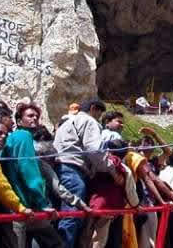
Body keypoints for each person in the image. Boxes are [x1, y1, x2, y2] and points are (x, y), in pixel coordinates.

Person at [53, 99, 122, 248]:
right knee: (72, 216)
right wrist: (112, 170)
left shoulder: (66, 123)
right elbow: (94, 150)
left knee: (62, 215)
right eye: (99, 113)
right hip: (74, 171)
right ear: (93, 109)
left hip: (59, 168)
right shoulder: (89, 121)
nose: (99, 117)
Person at [2, 103, 61, 248]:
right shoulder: (23, 136)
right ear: (19, 120)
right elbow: (28, 169)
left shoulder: (13, 138)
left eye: (36, 116)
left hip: (17, 202)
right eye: (30, 116)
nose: (34, 118)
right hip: (24, 203)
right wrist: (42, 203)